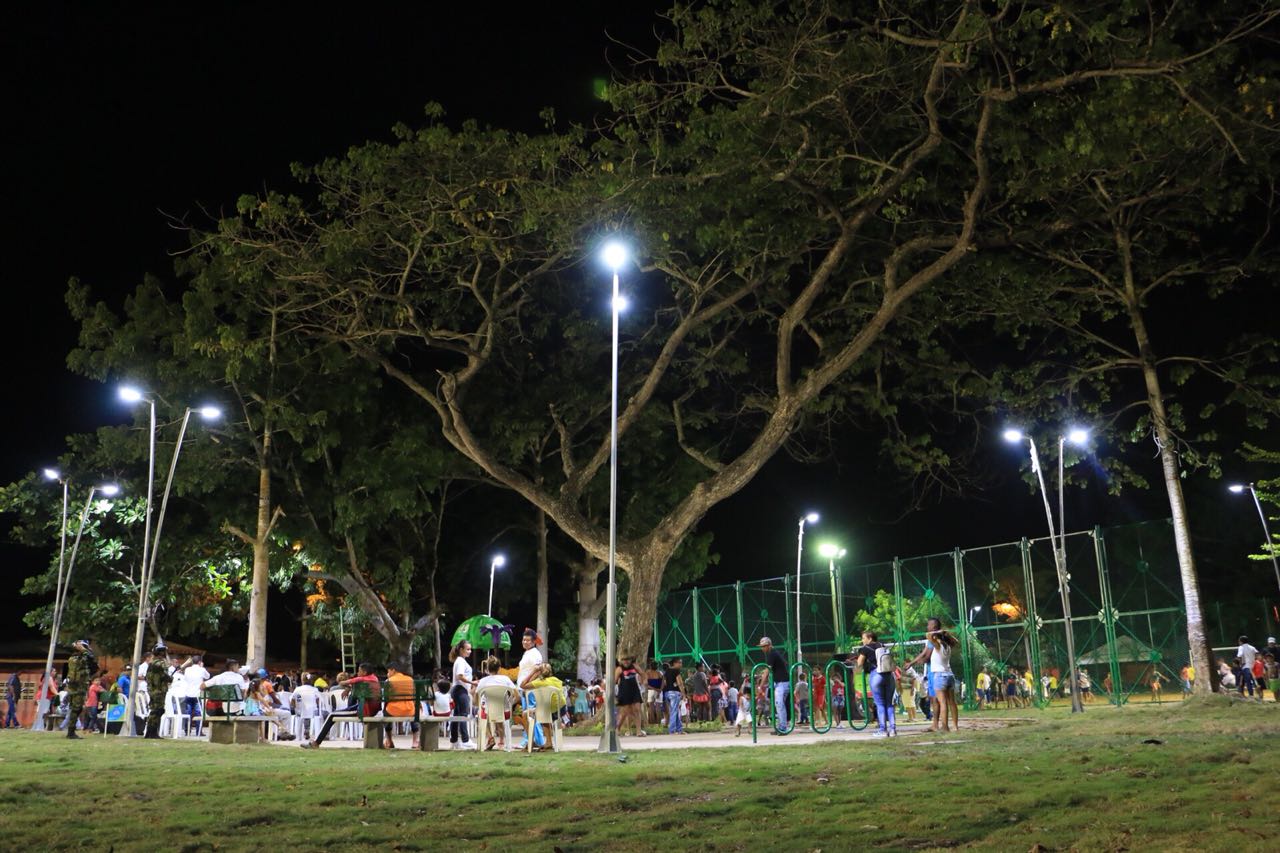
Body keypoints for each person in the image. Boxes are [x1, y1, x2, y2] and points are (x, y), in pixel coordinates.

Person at [302, 662, 379, 748]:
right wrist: (351, 688)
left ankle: (316, 743)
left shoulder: (361, 679)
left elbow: (342, 683)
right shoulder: (375, 679)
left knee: (331, 715)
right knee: (343, 709)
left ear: (364, 672)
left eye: (359, 671)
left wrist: (348, 687)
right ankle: (316, 742)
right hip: (371, 709)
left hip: (364, 710)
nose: (357, 673)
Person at [908, 618, 959, 733]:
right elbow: (955, 641)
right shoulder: (948, 645)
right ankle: (955, 726)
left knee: (942, 702)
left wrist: (938, 633)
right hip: (950, 674)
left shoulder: (937, 645)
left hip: (939, 676)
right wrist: (945, 633)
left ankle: (945, 727)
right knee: (952, 702)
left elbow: (928, 635)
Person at [855, 631, 897, 738]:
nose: (862, 640)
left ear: (869, 638)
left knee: (880, 704)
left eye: (863, 638)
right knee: (889, 704)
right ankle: (893, 729)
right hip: (889, 675)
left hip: (876, 675)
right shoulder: (882, 645)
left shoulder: (865, 648)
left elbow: (859, 663)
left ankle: (883, 730)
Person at [475, 656, 517, 750]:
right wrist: (510, 704)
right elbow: (517, 696)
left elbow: (475, 700)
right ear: (499, 668)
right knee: (500, 719)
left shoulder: (482, 681)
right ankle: (501, 742)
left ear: (487, 669)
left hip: (488, 711)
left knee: (479, 715)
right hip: (504, 711)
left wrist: (480, 704)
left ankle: (490, 738)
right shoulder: (505, 679)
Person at [448, 640, 477, 750]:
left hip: (458, 689)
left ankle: (454, 740)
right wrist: (472, 682)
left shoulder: (460, 660)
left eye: (470, 649)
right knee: (463, 715)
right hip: (460, 690)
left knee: (456, 716)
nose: (470, 651)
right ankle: (465, 740)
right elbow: (460, 676)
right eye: (467, 649)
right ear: (461, 650)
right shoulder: (460, 661)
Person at [65, 639, 96, 739]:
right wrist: (84, 649)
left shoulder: (73, 658)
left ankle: (71, 731)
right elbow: (91, 657)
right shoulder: (81, 659)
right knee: (76, 709)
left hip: (74, 687)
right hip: (79, 687)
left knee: (75, 709)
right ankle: (71, 732)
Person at [759, 636, 790, 733]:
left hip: (782, 683)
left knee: (779, 704)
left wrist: (761, 686)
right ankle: (782, 726)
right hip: (781, 682)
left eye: (764, 646)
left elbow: (767, 671)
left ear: (769, 645)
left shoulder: (772, 654)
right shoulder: (774, 653)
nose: (762, 648)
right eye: (761, 646)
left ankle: (783, 727)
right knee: (780, 705)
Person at [144, 644, 173, 738]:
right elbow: (165, 675)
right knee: (158, 710)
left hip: (152, 690)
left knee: (154, 710)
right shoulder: (161, 663)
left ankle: (149, 732)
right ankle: (152, 732)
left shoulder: (151, 664)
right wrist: (170, 678)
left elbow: (147, 678)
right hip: (159, 690)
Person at [616, 656, 645, 736]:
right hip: (624, 692)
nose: (626, 661)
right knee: (624, 712)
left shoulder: (635, 666)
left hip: (635, 691)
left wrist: (644, 681)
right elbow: (614, 681)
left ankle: (638, 731)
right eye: (624, 660)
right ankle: (618, 728)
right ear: (621, 661)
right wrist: (614, 694)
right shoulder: (619, 669)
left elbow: (642, 674)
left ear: (631, 659)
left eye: (627, 659)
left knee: (637, 710)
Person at [662, 659, 686, 735]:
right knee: (674, 711)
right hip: (674, 693)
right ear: (674, 663)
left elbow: (664, 683)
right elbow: (680, 683)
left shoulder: (666, 671)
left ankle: (679, 729)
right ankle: (672, 730)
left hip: (667, 693)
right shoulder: (676, 671)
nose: (681, 664)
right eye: (679, 663)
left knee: (675, 711)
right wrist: (683, 694)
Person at [645, 661, 664, 726]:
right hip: (658, 691)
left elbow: (646, 684)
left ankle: (652, 723)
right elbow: (663, 683)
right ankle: (658, 723)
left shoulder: (647, 673)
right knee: (658, 707)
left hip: (651, 691)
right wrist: (659, 690)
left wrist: (656, 689)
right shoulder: (659, 673)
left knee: (651, 707)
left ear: (650, 666)